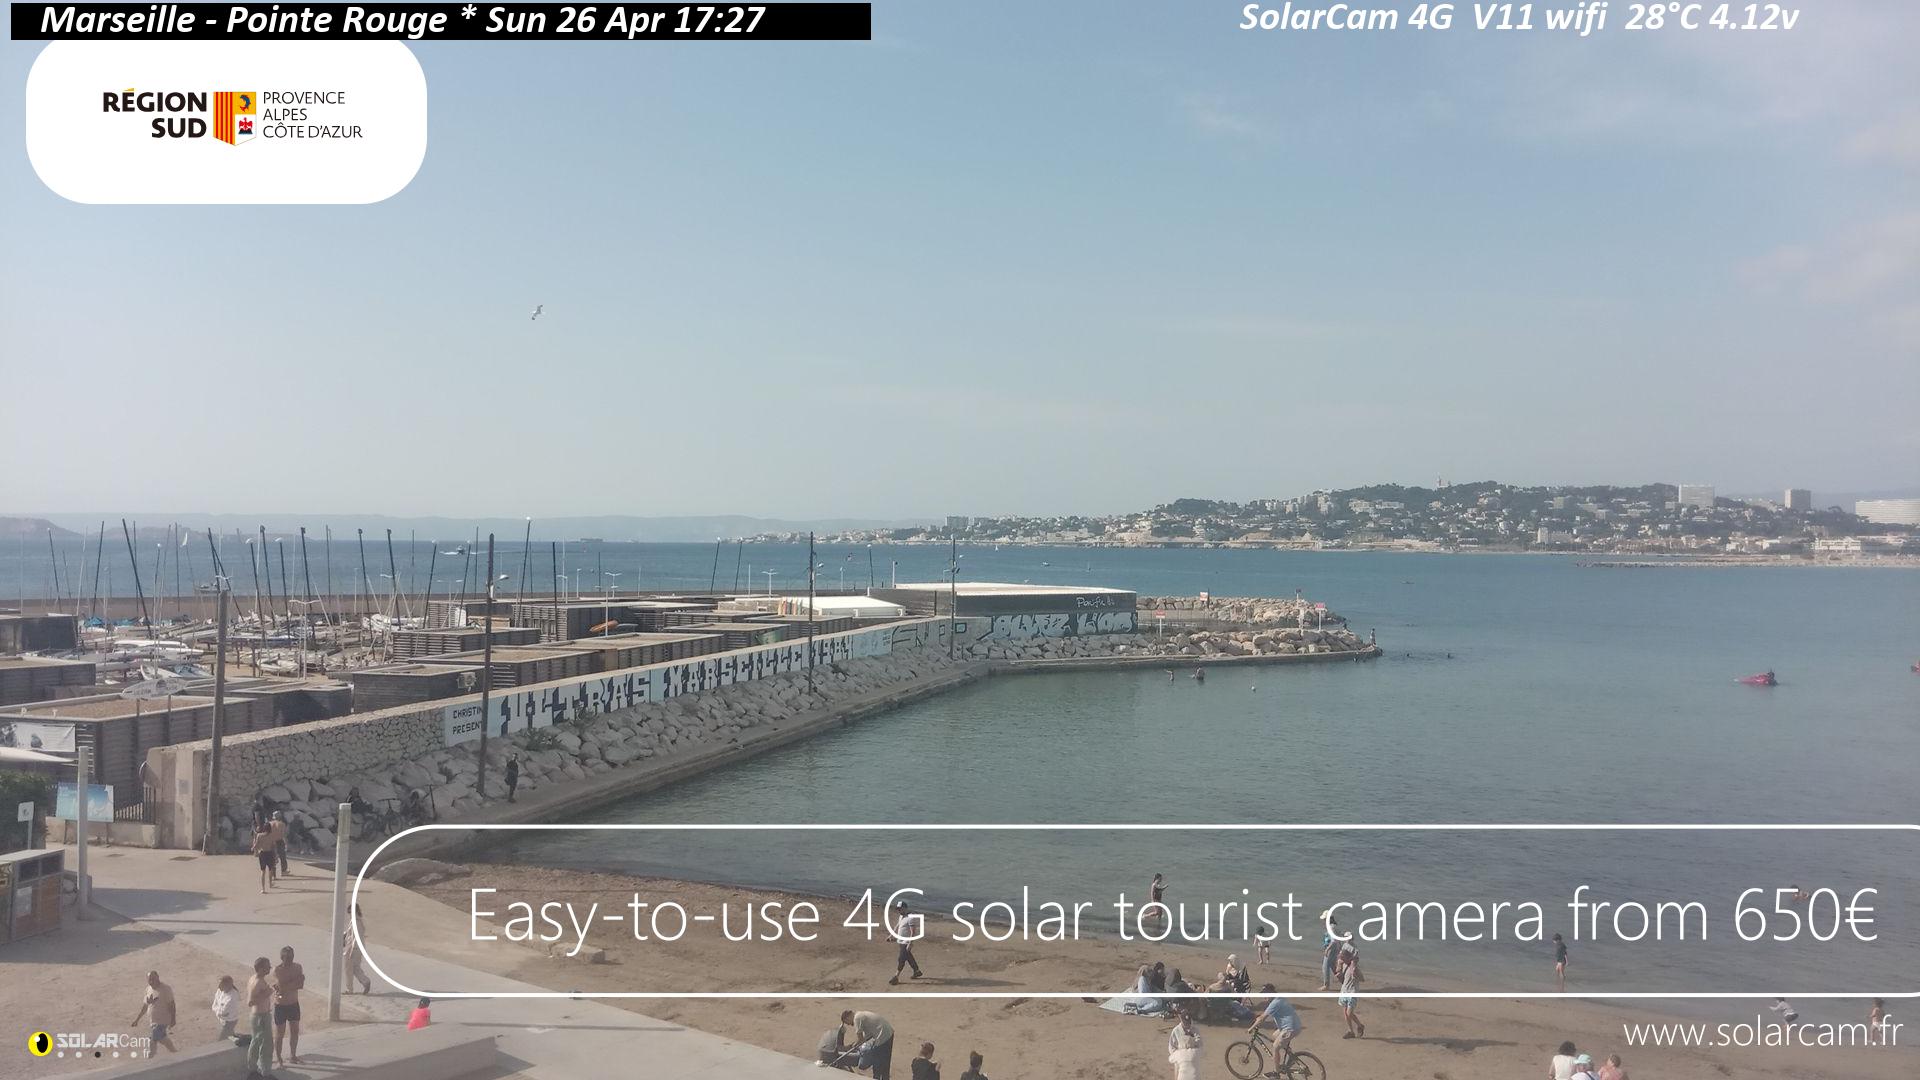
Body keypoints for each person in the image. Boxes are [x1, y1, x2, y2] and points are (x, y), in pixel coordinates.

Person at [1249, 986, 1301, 1066]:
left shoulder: (1274, 1003)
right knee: (1275, 1036)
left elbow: (1262, 1018)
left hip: (1290, 1029)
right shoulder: (1279, 998)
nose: (1264, 997)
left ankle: (1277, 1071)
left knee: (1275, 1047)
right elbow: (1263, 1016)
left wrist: (1251, 1028)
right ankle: (1290, 1054)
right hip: (1293, 1025)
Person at [271, 945, 305, 1067]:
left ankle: (293, 1055)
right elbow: (281, 988)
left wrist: (287, 985)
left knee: (295, 1031)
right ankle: (279, 1058)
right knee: (279, 1033)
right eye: (287, 957)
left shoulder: (297, 967)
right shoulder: (277, 970)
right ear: (282, 957)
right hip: (280, 1005)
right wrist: (294, 982)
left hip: (293, 1003)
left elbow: (300, 985)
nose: (290, 959)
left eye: (291, 956)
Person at [131, 970, 178, 1056]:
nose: (152, 981)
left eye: (154, 979)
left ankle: (151, 1057)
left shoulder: (165, 989)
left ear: (158, 978)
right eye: (150, 980)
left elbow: (172, 1005)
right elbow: (145, 1007)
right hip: (153, 1021)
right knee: (162, 1039)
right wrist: (137, 1020)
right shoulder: (148, 989)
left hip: (163, 1020)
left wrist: (173, 1019)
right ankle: (175, 1053)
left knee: (153, 1039)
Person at [245, 956, 276, 1080]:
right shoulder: (257, 982)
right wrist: (267, 993)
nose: (270, 968)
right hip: (261, 1017)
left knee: (256, 1042)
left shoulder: (254, 978)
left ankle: (252, 1069)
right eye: (267, 966)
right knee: (266, 1045)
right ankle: (265, 1072)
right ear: (261, 968)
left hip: (258, 1016)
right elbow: (250, 1002)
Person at [843, 1010, 895, 1080]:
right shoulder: (861, 1014)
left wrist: (853, 1046)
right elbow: (866, 1036)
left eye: (847, 1022)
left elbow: (860, 1039)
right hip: (889, 1033)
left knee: (877, 1062)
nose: (849, 1024)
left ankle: (876, 1078)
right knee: (885, 1061)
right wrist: (856, 1044)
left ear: (847, 1017)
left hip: (882, 1035)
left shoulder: (856, 1018)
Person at [888, 900, 923, 985]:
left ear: (905, 908)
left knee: (901, 959)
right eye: (898, 909)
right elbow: (897, 925)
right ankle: (917, 971)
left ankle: (896, 977)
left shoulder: (910, 918)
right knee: (908, 957)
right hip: (900, 941)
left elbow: (913, 932)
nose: (899, 910)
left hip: (906, 942)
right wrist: (891, 935)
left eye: (900, 909)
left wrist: (910, 943)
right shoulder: (901, 916)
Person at [1335, 944, 1365, 1039]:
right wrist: (1339, 974)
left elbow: (1362, 979)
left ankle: (1360, 1025)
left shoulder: (1355, 967)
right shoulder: (1344, 965)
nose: (1342, 960)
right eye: (1341, 958)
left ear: (1348, 958)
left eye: (1343, 958)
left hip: (1352, 992)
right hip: (1344, 991)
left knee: (1349, 1013)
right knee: (1345, 1013)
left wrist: (1356, 974)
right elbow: (1341, 978)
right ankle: (1350, 1031)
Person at [1167, 1009, 1203, 1080]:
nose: (1187, 1024)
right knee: (1178, 1074)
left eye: (1188, 1022)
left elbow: (1200, 1043)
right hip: (1179, 1057)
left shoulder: (1195, 1030)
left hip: (1189, 1055)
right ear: (1181, 1020)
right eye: (1185, 1022)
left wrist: (1192, 1044)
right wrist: (1178, 1054)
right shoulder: (1176, 1030)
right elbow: (1171, 1047)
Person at [342, 924, 372, 994]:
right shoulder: (360, 922)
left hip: (352, 949)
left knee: (348, 969)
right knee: (355, 967)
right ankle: (365, 981)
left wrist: (347, 948)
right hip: (359, 948)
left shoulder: (353, 923)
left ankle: (349, 990)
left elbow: (352, 937)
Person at [211, 975, 241, 1041]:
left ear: (228, 985)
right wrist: (218, 1011)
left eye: (221, 984)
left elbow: (223, 1012)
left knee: (221, 1041)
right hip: (223, 1020)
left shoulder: (231, 997)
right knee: (230, 1037)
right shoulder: (220, 991)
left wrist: (218, 1010)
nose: (219, 986)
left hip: (229, 1022)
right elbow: (214, 1005)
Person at [251, 821, 277, 893]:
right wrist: (276, 855)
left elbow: (256, 845)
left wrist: (253, 848)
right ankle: (270, 883)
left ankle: (263, 889)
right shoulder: (272, 836)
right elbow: (273, 846)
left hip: (262, 853)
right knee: (270, 870)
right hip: (270, 853)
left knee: (263, 871)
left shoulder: (259, 835)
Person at [1318, 913, 1341, 990]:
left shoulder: (1331, 928)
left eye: (1325, 919)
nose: (1323, 921)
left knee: (1325, 967)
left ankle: (1326, 985)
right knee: (1333, 967)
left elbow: (1334, 941)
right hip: (1335, 948)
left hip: (1332, 948)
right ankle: (1344, 981)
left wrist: (1327, 949)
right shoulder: (1333, 927)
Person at [270, 811, 290, 876]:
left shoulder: (269, 824)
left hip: (271, 841)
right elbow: (283, 835)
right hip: (279, 841)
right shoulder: (282, 824)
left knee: (273, 857)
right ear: (280, 816)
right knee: (282, 857)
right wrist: (286, 844)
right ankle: (283, 870)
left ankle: (273, 871)